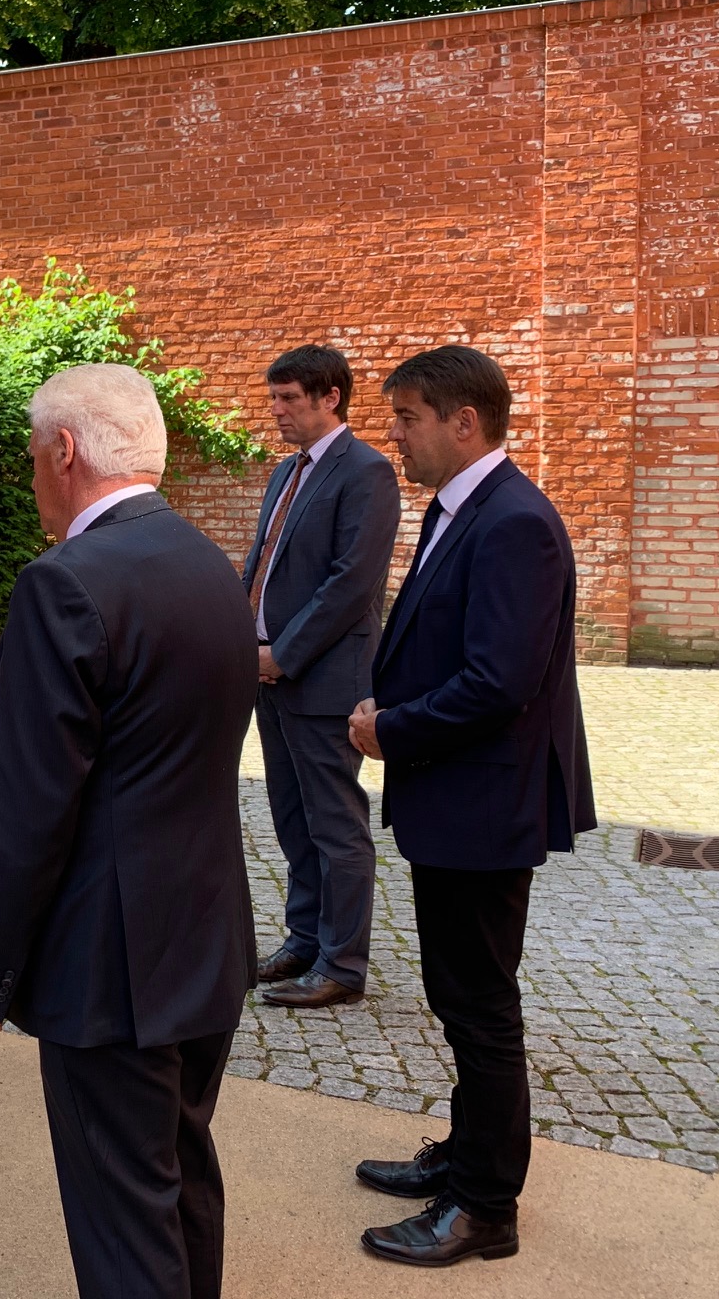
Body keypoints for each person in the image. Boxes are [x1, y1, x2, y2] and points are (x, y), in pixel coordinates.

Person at [0, 363, 256, 1299]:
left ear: (65, 451)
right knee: (180, 1174)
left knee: (125, 1221)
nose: (32, 479)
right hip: (206, 936)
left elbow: (31, 813)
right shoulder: (206, 562)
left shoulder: (63, 585)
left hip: (111, 962)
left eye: (31, 457)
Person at [346, 345, 596, 1267]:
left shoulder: (515, 522)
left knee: (481, 1003)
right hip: (457, 796)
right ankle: (468, 1155)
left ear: (464, 421)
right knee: (460, 996)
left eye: (407, 418)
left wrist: (391, 728)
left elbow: (499, 682)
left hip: (484, 804)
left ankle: (485, 1206)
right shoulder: (466, 507)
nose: (395, 436)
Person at [240, 345, 400, 1009]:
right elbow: (262, 563)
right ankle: (304, 940)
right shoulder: (287, 470)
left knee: (335, 826)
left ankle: (342, 965)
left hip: (323, 678)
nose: (276, 411)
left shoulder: (367, 472)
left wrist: (283, 653)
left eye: (289, 399)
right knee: (292, 818)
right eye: (273, 398)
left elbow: (350, 584)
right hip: (267, 676)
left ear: (330, 398)